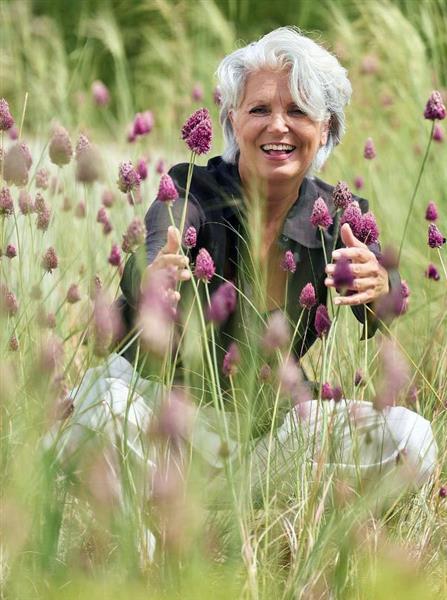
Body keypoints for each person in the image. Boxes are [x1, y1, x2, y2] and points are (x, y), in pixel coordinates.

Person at [49, 28, 436, 535]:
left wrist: (381, 288)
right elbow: (153, 249)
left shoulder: (340, 215)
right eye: (259, 110)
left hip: (267, 434)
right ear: (233, 119)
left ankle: (250, 523)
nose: (279, 126)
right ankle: (147, 556)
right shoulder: (191, 188)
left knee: (414, 439)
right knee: (100, 414)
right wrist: (154, 276)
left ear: (326, 127)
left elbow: (381, 302)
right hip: (162, 419)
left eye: (298, 111)